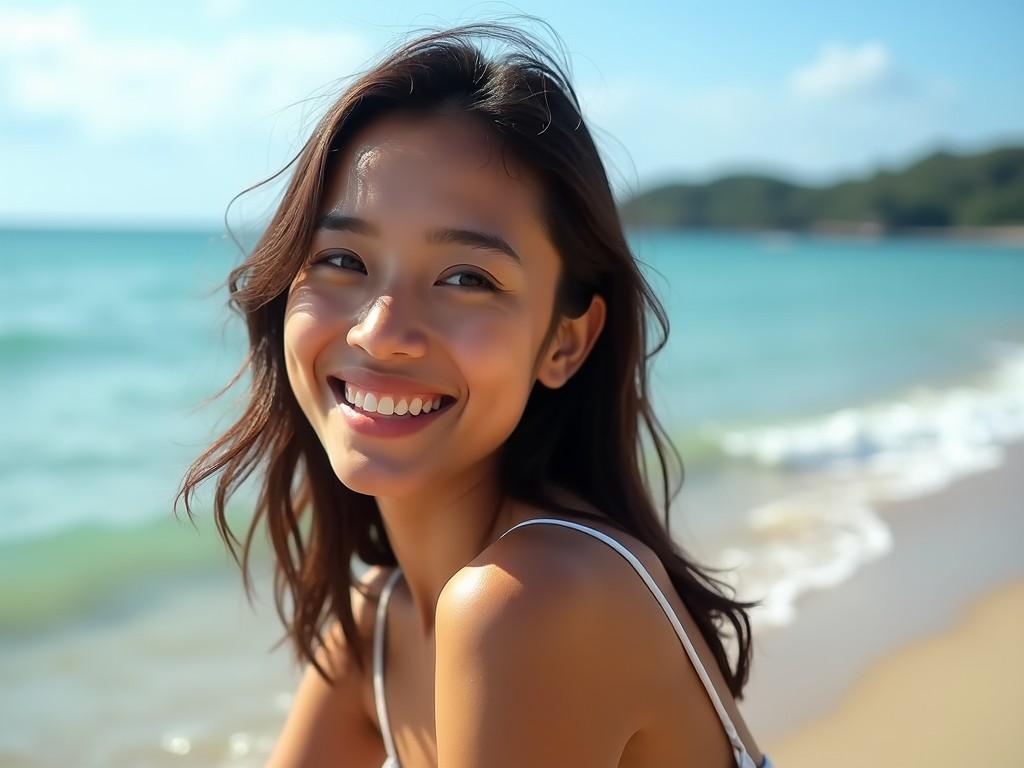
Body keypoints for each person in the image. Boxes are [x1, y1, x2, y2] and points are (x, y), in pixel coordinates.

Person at [176, 17, 772, 768]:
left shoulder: (531, 602)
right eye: (341, 259)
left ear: (564, 342)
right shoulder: (377, 630)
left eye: (467, 278)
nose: (380, 331)